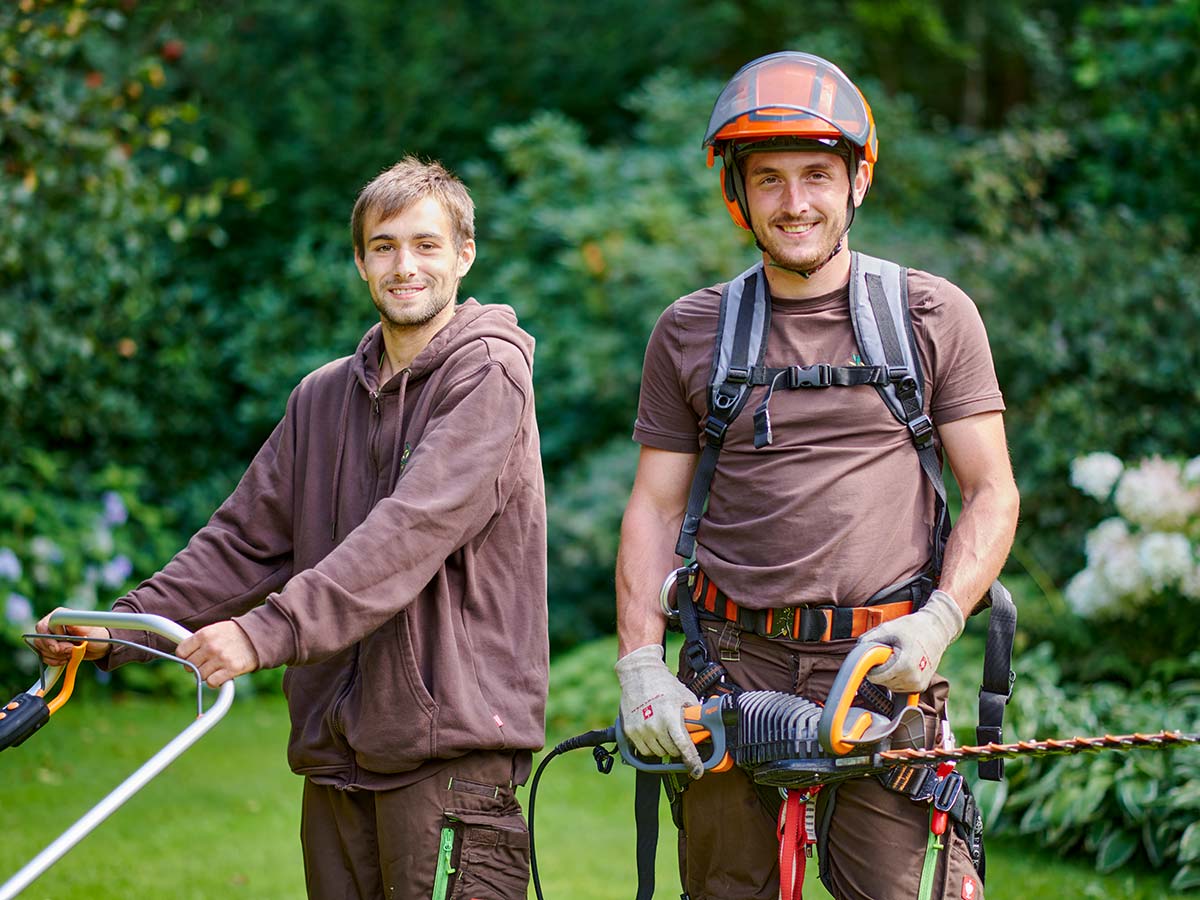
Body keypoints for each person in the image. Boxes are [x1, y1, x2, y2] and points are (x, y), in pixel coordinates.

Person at [34, 157, 547, 900]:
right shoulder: (322, 398)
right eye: (383, 246)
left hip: (449, 769)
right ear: (361, 263)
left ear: (465, 255)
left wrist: (263, 633)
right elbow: (241, 545)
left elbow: (406, 535)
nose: (405, 266)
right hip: (338, 764)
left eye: (426, 245)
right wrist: (118, 632)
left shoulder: (489, 376)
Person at [614, 52, 1019, 900]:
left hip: (883, 669)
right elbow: (654, 509)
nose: (794, 202)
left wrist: (940, 621)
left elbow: (991, 491)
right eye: (769, 180)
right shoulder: (691, 332)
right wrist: (641, 666)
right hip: (731, 667)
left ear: (857, 181)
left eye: (816, 176)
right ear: (739, 193)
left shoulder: (930, 316)